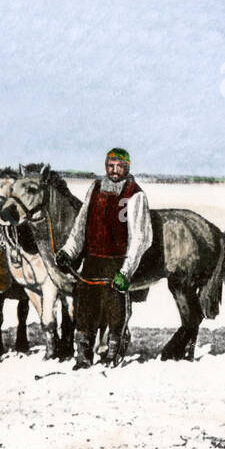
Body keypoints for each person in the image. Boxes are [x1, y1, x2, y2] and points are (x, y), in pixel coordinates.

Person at [55, 147, 152, 369]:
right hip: (92, 259)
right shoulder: (95, 188)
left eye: (119, 166)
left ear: (127, 167)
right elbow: (80, 225)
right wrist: (69, 251)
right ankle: (83, 355)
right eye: (110, 165)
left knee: (115, 309)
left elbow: (140, 237)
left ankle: (112, 354)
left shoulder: (135, 194)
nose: (114, 170)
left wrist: (126, 272)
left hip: (117, 261)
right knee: (84, 308)